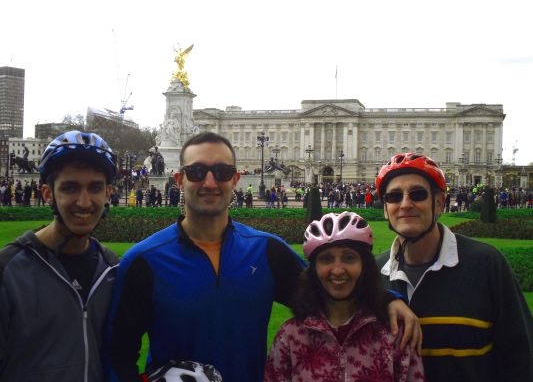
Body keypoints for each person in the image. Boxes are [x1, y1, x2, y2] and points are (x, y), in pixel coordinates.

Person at [106, 132, 421, 382]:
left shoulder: (266, 250)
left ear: (235, 180)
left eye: (223, 171)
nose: (210, 182)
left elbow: (329, 289)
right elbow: (118, 354)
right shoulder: (144, 260)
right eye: (197, 172)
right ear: (179, 180)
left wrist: (388, 300)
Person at [375, 152, 533, 382]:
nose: (405, 204)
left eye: (418, 194)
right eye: (394, 196)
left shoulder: (487, 263)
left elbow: (521, 360)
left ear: (439, 203)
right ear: (385, 208)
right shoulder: (372, 273)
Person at [0, 130, 119, 381]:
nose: (84, 202)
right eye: (70, 188)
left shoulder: (115, 270)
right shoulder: (7, 270)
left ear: (108, 193)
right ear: (47, 193)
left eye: (95, 188)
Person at [265, 211, 425, 381]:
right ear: (314, 270)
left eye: (349, 258)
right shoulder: (290, 337)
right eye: (326, 259)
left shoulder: (393, 333)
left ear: (365, 266)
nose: (338, 270)